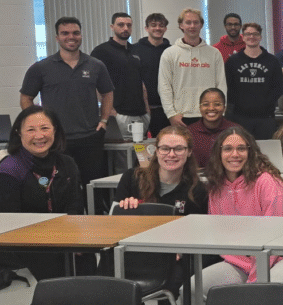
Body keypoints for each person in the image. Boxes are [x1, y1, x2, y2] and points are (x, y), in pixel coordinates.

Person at [195, 126, 283, 297]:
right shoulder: (216, 187)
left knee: (267, 296)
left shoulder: (266, 182)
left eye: (241, 148)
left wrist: (254, 279)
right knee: (193, 289)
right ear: (218, 153)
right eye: (228, 149)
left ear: (250, 151)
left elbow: (274, 236)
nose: (235, 154)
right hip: (239, 263)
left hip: (279, 259)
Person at [112, 125, 206, 305]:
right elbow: (110, 223)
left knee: (173, 284)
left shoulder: (197, 190)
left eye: (179, 149)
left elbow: (200, 232)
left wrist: (182, 246)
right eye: (165, 148)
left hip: (171, 257)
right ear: (156, 150)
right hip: (132, 252)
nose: (171, 154)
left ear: (188, 152)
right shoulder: (132, 178)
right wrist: (123, 210)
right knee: (112, 285)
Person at [21, 16, 114, 192]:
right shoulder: (41, 68)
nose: (71, 37)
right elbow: (25, 97)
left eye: (75, 33)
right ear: (57, 37)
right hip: (56, 140)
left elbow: (108, 93)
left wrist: (104, 121)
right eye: (65, 33)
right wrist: (38, 125)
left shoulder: (96, 65)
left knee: (93, 187)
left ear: (81, 35)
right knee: (60, 188)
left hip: (90, 138)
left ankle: (95, 218)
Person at [0, 106, 86, 280]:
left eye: (45, 128)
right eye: (31, 130)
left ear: (55, 130)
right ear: (19, 133)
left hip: (64, 239)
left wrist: (73, 239)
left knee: (89, 265)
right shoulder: (10, 168)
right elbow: (11, 219)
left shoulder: (66, 163)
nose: (39, 136)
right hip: (27, 245)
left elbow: (75, 205)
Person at [157, 8, 228, 127]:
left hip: (208, 114)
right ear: (181, 25)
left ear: (201, 25)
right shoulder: (169, 53)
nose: (192, 26)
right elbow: (164, 86)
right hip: (180, 116)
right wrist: (171, 114)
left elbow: (221, 84)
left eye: (196, 22)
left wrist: (220, 111)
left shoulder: (214, 53)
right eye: (188, 22)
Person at [92, 13, 149, 144]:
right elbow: (95, 85)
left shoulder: (135, 50)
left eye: (129, 25)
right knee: (122, 159)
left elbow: (140, 82)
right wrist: (109, 111)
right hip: (118, 115)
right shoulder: (101, 51)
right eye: (121, 25)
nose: (125, 28)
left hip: (141, 115)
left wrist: (147, 110)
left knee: (140, 157)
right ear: (112, 27)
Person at [224, 23, 283, 140]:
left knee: (266, 152)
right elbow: (228, 87)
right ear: (243, 37)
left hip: (265, 117)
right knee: (242, 150)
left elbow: (278, 87)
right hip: (240, 117)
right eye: (248, 34)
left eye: (255, 34)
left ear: (260, 37)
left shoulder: (272, 61)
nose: (252, 37)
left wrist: (265, 103)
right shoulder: (233, 61)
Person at [135, 13, 172, 137]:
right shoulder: (134, 50)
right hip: (140, 110)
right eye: (153, 25)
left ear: (165, 29)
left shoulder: (172, 51)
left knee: (164, 145)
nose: (157, 28)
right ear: (146, 28)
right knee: (139, 150)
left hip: (165, 111)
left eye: (161, 25)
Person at [187, 88, 239, 168]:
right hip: (196, 178)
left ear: (224, 108)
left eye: (217, 104)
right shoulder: (189, 132)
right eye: (205, 104)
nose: (211, 108)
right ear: (200, 108)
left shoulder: (236, 130)